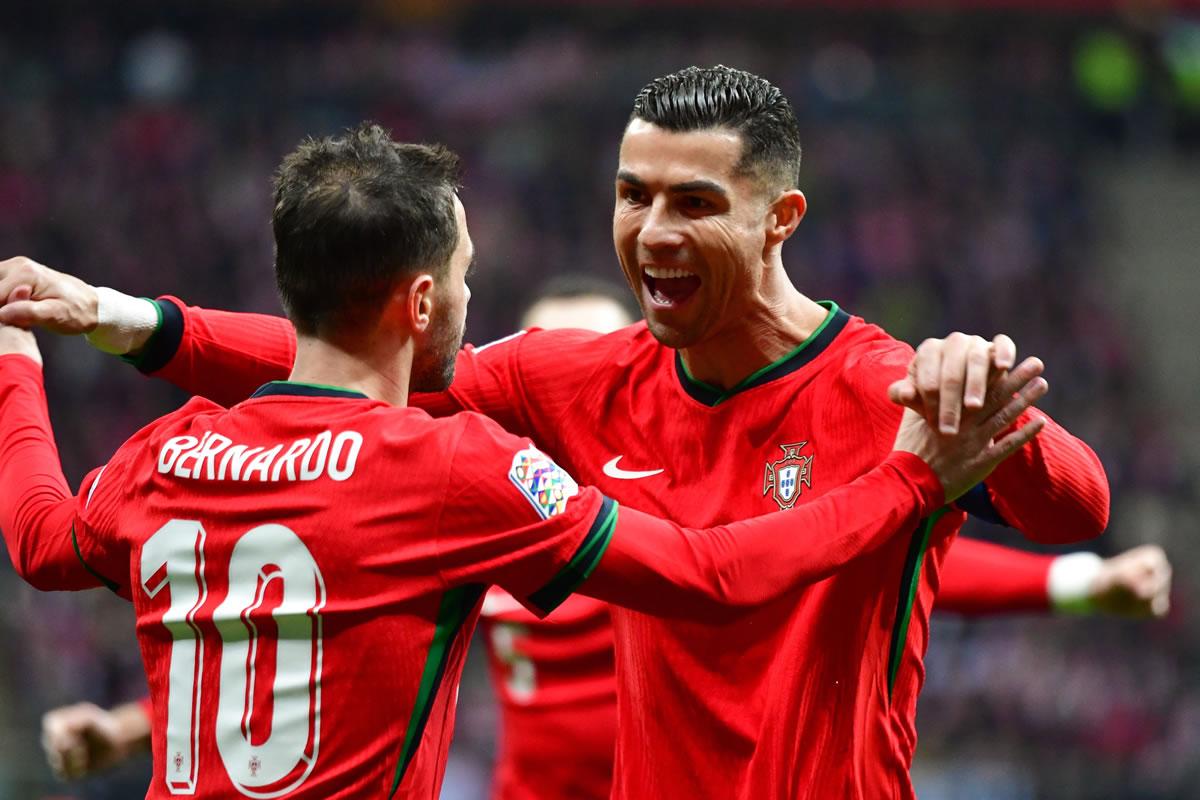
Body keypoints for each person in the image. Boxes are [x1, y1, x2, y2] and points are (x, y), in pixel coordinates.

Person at [0, 67, 1106, 798]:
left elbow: (1080, 506)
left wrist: (1000, 404)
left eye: (693, 203)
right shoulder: (573, 381)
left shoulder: (891, 388)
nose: (652, 231)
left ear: (782, 220)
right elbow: (357, 355)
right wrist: (126, 318)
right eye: (634, 195)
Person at [35, 279, 1167, 796]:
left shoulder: (619, 494)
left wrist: (1074, 579)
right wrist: (128, 320)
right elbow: (312, 639)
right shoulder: (495, 506)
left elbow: (885, 560)